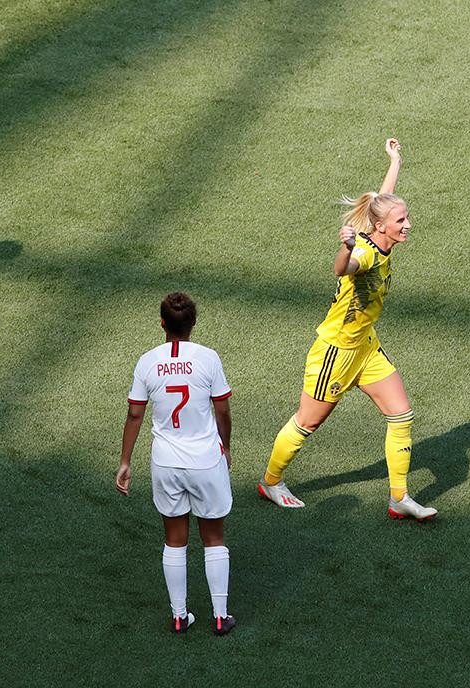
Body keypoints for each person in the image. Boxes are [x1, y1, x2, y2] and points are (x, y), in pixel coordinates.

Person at [257, 138, 437, 521]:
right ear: (382, 227)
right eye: (402, 220)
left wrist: (395, 161)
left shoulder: (380, 229)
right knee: (307, 422)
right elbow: (344, 268)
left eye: (406, 217)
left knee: (401, 415)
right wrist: (345, 247)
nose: (408, 225)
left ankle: (399, 497)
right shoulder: (367, 252)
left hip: (365, 348)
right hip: (335, 352)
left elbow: (381, 201)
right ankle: (271, 481)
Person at [116, 293, 236, 635]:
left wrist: (125, 461)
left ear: (162, 324)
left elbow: (134, 414)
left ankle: (180, 616)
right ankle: (219, 615)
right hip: (204, 460)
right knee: (213, 538)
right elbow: (223, 410)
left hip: (166, 463)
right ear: (193, 323)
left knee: (174, 539)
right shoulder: (208, 359)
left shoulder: (146, 362)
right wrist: (225, 445)